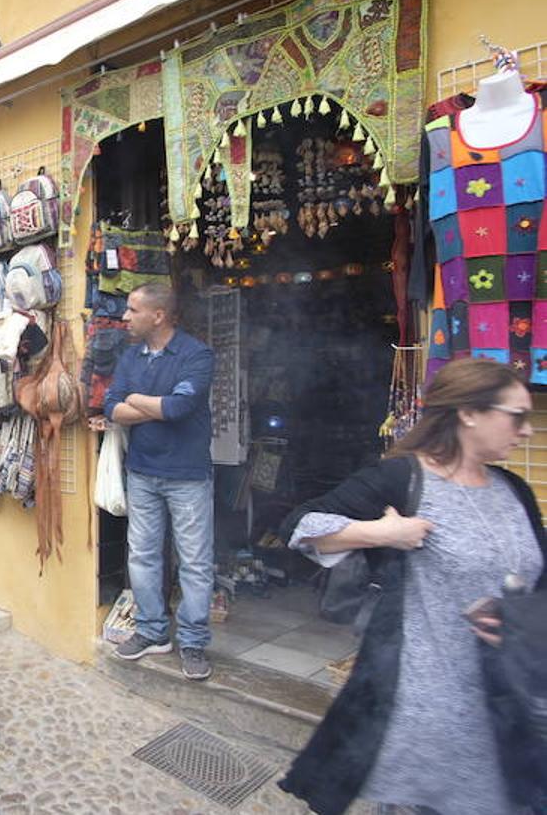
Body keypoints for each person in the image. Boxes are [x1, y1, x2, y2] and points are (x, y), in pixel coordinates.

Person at [279, 359, 546, 815]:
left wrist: (523, 622)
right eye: (515, 416)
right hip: (427, 711)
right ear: (468, 413)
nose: (527, 431)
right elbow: (298, 526)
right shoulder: (403, 480)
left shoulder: (514, 489)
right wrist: (380, 534)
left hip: (510, 702)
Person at [102, 281, 216, 681]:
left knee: (195, 561)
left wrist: (139, 402)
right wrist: (152, 407)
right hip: (143, 471)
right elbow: (112, 406)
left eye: (133, 310)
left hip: (187, 475)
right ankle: (152, 632)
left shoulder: (196, 354)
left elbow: (181, 406)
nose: (125, 317)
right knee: (143, 555)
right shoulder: (131, 357)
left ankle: (193, 641)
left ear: (158, 315)